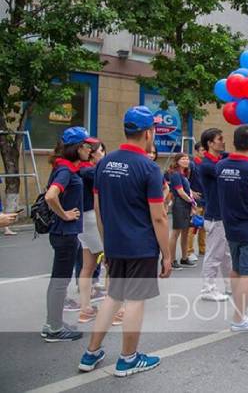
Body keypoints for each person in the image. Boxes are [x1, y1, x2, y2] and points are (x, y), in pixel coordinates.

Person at [78, 105, 171, 376]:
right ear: (148, 133)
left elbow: (98, 207)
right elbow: (159, 217)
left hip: (115, 243)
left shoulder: (104, 163)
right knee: (135, 301)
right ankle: (128, 358)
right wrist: (166, 255)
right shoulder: (149, 168)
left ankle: (90, 354)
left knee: (113, 296)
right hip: (141, 245)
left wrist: (108, 243)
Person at [216, 124, 248, 331]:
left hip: (231, 226)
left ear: (234, 141)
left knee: (236, 270)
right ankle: (239, 318)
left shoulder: (220, 166)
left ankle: (238, 313)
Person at [42, 127, 91, 342]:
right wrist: (66, 215)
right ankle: (54, 328)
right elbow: (51, 196)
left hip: (63, 233)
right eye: (86, 145)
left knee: (58, 280)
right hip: (64, 232)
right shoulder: (65, 171)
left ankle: (52, 323)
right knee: (60, 281)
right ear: (77, 147)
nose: (89, 149)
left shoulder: (66, 167)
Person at [198, 128, 233, 302]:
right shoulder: (207, 165)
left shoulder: (222, 159)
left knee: (226, 255)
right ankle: (208, 289)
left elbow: (241, 157)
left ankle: (229, 285)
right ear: (210, 143)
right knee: (213, 255)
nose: (222, 141)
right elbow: (230, 168)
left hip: (223, 216)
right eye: (219, 139)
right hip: (215, 216)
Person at [77, 140, 107, 323]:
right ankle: (114, 310)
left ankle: (85, 309)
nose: (102, 153)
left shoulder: (76, 169)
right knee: (110, 263)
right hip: (91, 218)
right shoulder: (89, 171)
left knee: (87, 266)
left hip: (81, 219)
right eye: (99, 150)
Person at [167, 153, 197, 270]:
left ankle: (184, 258)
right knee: (176, 233)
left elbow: (187, 190)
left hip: (186, 205)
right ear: (177, 161)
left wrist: (191, 203)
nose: (186, 160)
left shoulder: (184, 174)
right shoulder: (175, 174)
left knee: (185, 232)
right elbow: (180, 192)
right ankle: (171, 260)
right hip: (180, 204)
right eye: (183, 159)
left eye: (187, 158)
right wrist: (192, 202)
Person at [185, 142, 206, 265]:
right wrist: (191, 192)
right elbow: (185, 180)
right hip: (196, 201)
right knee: (193, 227)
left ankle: (203, 249)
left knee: (204, 226)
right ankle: (189, 251)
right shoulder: (192, 165)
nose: (204, 152)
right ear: (197, 151)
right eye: (202, 150)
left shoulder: (206, 164)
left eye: (205, 150)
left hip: (206, 200)